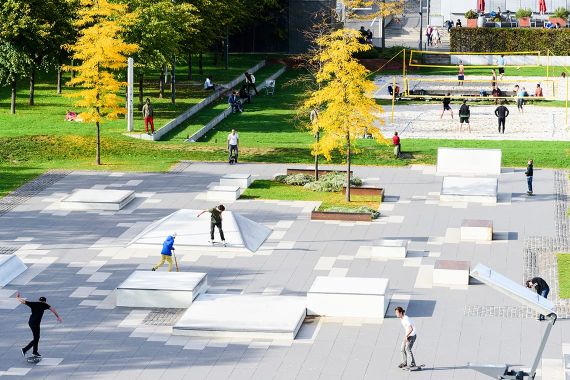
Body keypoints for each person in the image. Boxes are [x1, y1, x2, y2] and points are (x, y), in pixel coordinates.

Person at [16, 292, 62, 358]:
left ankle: (34, 352)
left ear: (39, 300)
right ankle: (25, 349)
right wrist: (58, 317)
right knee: (36, 338)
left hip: (31, 322)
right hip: (36, 324)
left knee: (36, 337)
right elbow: (53, 309)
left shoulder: (34, 304)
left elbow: (23, 301)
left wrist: (17, 297)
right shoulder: (44, 305)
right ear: (45, 302)